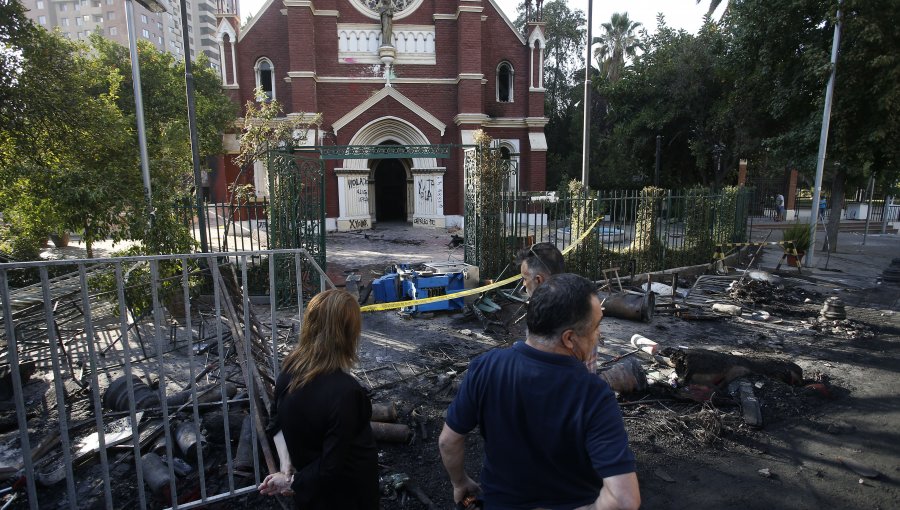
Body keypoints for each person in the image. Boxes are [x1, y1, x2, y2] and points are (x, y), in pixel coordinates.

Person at [438, 274, 641, 510]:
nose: (598, 335)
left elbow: (448, 441)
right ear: (569, 339)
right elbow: (624, 500)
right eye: (596, 327)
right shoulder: (593, 395)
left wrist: (459, 482)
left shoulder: (486, 366)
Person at [258, 290, 379, 509]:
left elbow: (275, 422)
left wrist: (287, 469)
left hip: (309, 495)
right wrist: (290, 481)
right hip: (347, 496)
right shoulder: (347, 392)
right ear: (348, 334)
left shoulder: (288, 372)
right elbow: (331, 466)